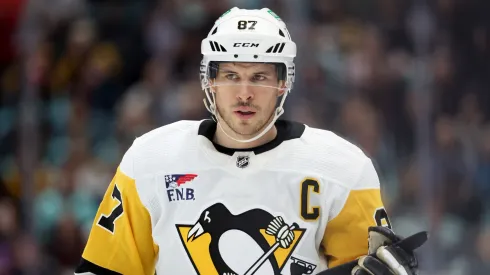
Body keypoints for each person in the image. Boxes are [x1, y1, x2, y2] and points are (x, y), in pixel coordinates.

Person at [75, 7, 421, 275]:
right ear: (209, 80)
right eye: (230, 76)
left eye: (259, 77)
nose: (244, 93)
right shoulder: (149, 162)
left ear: (284, 82)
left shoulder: (341, 170)